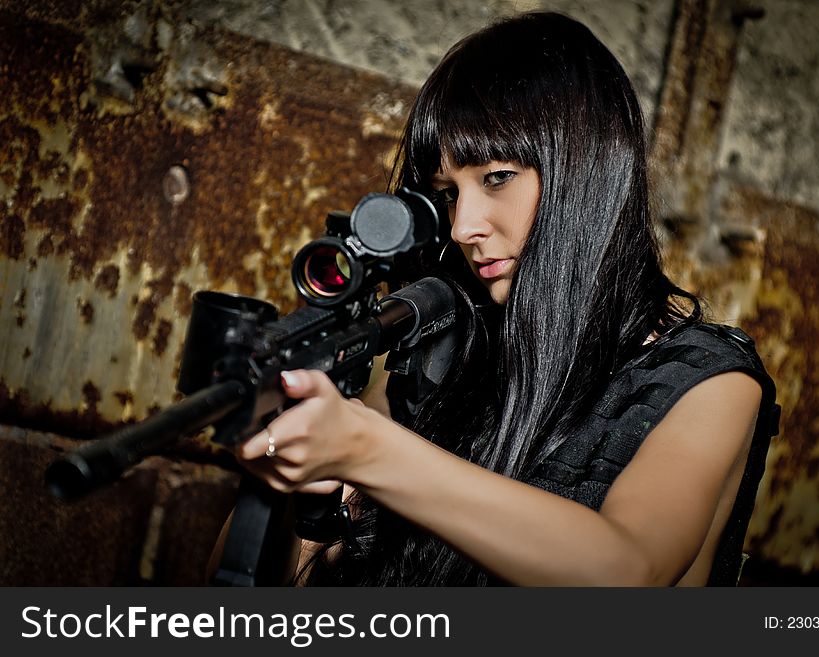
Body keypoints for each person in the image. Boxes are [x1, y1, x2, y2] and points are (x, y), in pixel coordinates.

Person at [218, 11, 779, 586]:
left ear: (584, 171)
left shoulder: (710, 382)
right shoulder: (446, 354)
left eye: (497, 177)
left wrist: (366, 450)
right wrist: (293, 481)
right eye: (446, 193)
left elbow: (624, 572)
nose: (464, 227)